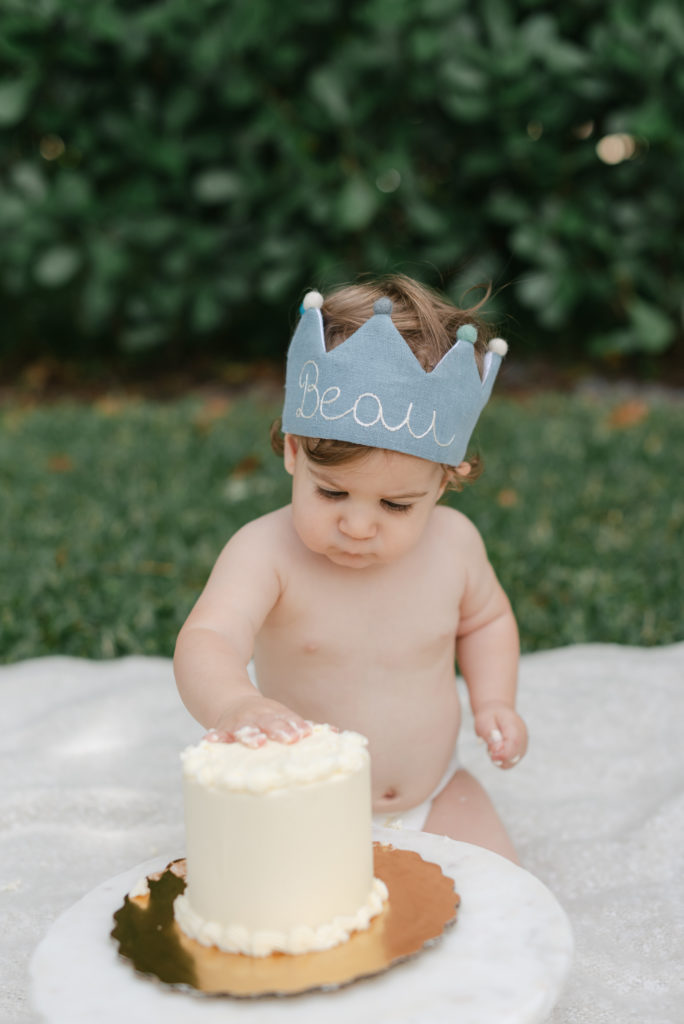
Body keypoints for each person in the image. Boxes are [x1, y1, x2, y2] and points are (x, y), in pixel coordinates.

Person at [174, 274, 528, 862]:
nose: (358, 526)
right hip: (300, 803)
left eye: (396, 505)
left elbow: (486, 620)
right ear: (293, 451)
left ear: (447, 480)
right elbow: (208, 637)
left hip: (434, 792)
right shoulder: (265, 552)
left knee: (503, 898)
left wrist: (495, 701)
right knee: (284, 913)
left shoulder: (456, 547)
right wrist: (236, 703)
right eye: (332, 493)